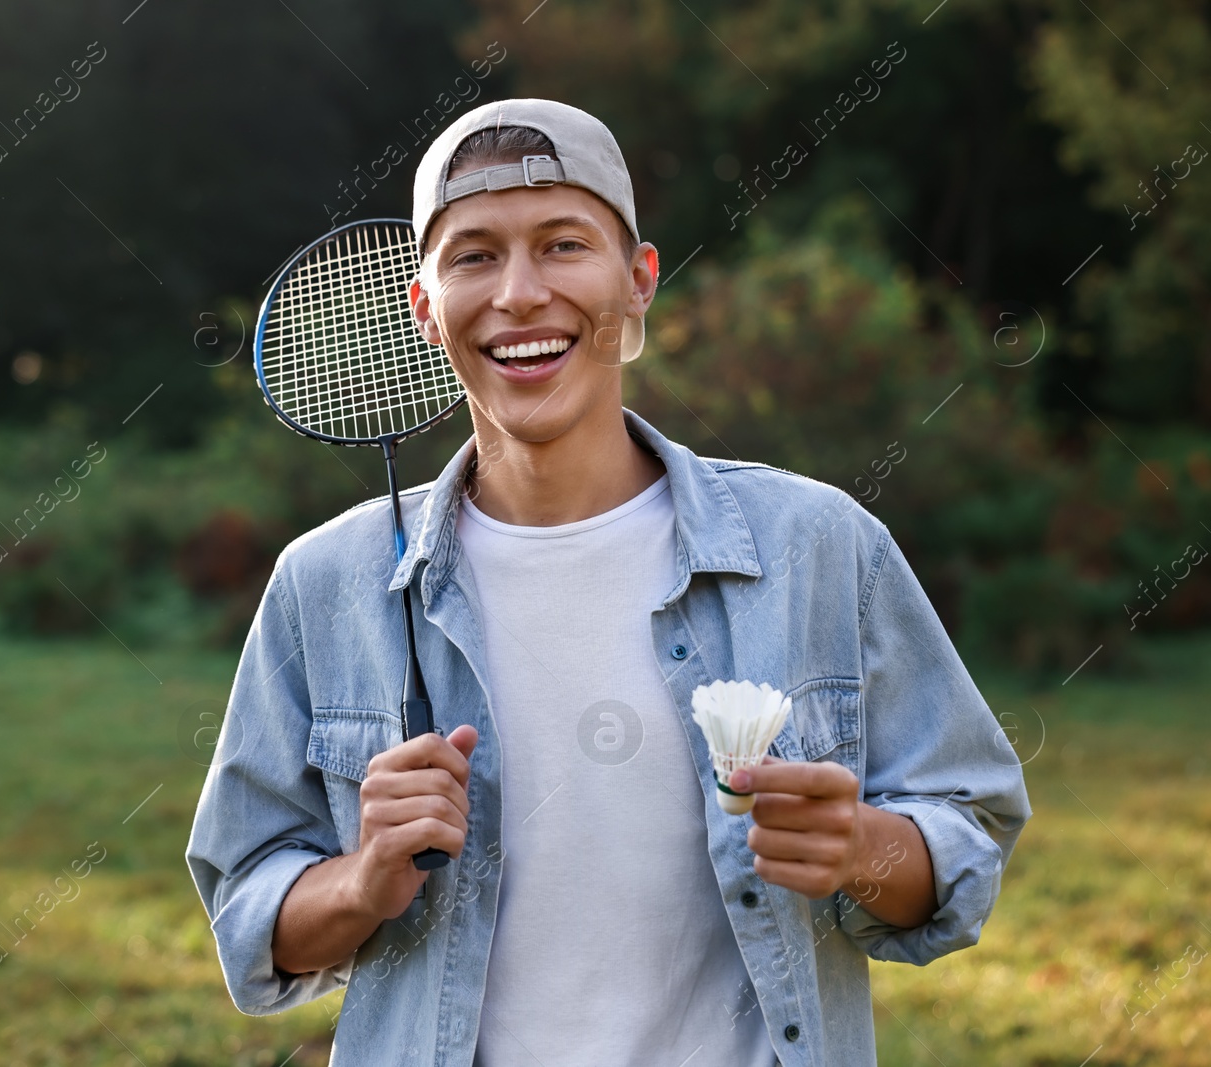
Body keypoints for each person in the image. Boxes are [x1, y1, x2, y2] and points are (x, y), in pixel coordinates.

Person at [186, 97, 1031, 1067]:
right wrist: (362, 880)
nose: (517, 293)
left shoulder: (820, 545)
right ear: (424, 308)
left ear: (636, 284)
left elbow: (967, 828)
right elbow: (250, 914)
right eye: (472, 255)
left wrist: (863, 849)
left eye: (562, 244)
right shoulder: (323, 583)